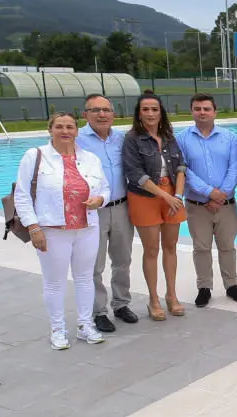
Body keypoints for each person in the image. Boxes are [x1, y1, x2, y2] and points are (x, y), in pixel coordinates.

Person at [15, 112, 110, 349]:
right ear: (50, 130)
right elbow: (22, 195)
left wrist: (101, 199)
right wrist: (33, 227)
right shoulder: (34, 156)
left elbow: (105, 188)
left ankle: (85, 325)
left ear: (77, 131)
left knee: (85, 278)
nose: (65, 131)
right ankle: (57, 328)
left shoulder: (90, 158)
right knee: (55, 281)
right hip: (53, 229)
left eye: (70, 127)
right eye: (59, 127)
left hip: (87, 228)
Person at [123, 94, 187, 321]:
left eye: (154, 109)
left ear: (161, 112)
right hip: (145, 197)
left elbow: (180, 166)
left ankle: (172, 295)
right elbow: (135, 174)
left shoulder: (169, 137)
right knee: (152, 250)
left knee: (171, 247)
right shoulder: (132, 139)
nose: (150, 114)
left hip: (172, 195)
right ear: (139, 113)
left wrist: (177, 195)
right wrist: (165, 196)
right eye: (145, 109)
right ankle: (153, 299)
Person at [178, 94, 237, 307]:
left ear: (215, 112)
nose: (202, 112)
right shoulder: (181, 139)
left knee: (227, 246)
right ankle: (204, 287)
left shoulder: (229, 138)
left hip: (225, 204)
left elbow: (235, 168)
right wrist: (208, 192)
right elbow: (183, 170)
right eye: (197, 108)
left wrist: (221, 194)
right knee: (201, 247)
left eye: (206, 108)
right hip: (197, 205)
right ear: (192, 111)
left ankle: (231, 284)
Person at [77, 94, 137, 333]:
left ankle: (121, 303)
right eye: (95, 110)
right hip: (93, 211)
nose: (101, 115)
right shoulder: (77, 140)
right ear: (85, 114)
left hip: (122, 206)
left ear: (113, 114)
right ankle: (99, 311)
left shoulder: (121, 139)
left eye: (106, 110)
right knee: (95, 264)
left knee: (123, 260)